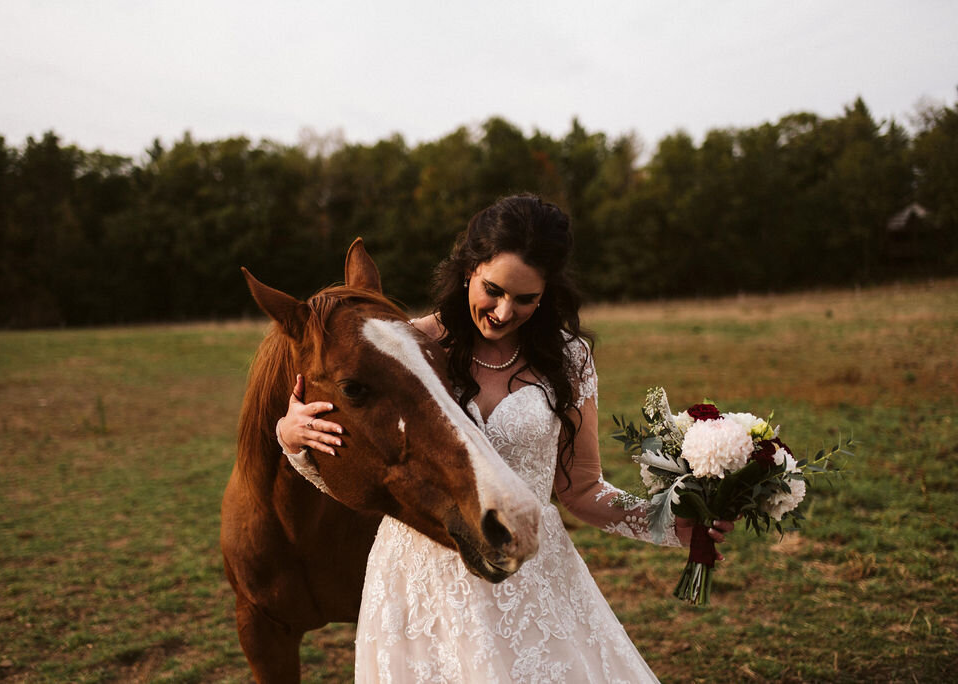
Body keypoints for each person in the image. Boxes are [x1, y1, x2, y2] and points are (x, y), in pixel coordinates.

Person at [276, 194, 734, 682]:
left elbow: (580, 490)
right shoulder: (411, 347)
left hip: (530, 573)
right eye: (492, 289)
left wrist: (667, 522)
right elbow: (370, 468)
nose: (501, 311)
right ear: (468, 268)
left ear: (547, 294)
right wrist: (291, 436)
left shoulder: (569, 360)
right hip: (421, 581)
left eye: (525, 299)